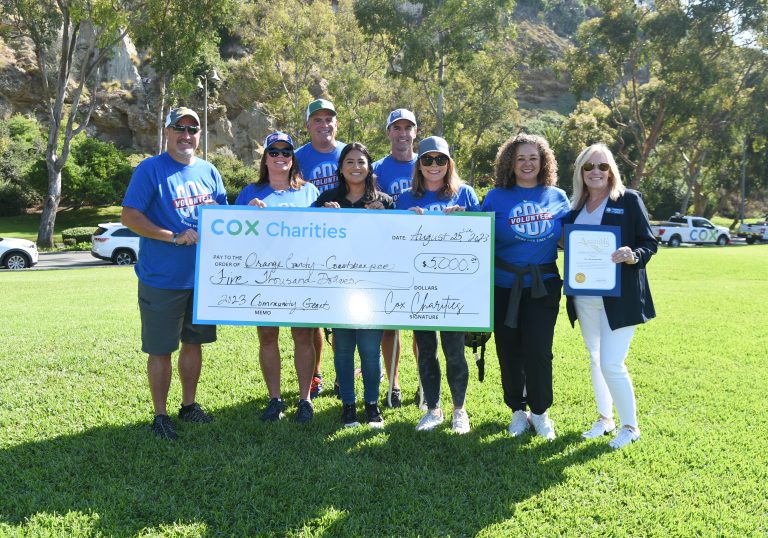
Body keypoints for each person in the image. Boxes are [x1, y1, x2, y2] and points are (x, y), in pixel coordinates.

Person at [121, 106, 228, 440]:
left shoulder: (209, 171)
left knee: (194, 344)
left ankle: (189, 405)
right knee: (161, 349)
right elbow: (130, 216)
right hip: (162, 278)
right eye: (179, 128)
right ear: (167, 132)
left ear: (199, 134)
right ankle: (160, 414)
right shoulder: (150, 169)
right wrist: (173, 236)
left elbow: (223, 218)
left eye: (192, 129)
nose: (186, 135)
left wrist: (245, 212)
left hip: (200, 278)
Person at [565, 143, 656, 449]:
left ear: (611, 170)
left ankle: (630, 427)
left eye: (602, 166)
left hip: (621, 297)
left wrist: (634, 254)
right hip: (585, 297)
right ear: (580, 171)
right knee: (595, 358)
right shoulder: (575, 206)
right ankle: (605, 419)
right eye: (589, 167)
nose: (596, 172)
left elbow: (649, 242)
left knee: (611, 363)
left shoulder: (628, 200)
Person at [481, 133, 570, 441]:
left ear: (543, 161)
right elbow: (476, 237)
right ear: (510, 163)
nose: (527, 163)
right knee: (508, 349)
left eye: (533, 157)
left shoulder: (557, 197)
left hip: (542, 287)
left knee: (538, 351)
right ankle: (518, 411)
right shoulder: (495, 197)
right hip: (503, 285)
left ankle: (541, 412)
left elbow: (570, 238)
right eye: (521, 158)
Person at [396, 136, 480, 434]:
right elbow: (394, 245)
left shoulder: (466, 194)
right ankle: (433, 408)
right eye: (428, 159)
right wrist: (404, 222)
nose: (434, 165)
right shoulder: (405, 198)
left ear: (449, 164)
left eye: (440, 159)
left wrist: (467, 219)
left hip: (454, 289)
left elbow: (481, 239)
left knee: (454, 350)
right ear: (419, 164)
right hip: (418, 288)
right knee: (426, 349)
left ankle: (460, 410)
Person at [235, 131, 320, 423]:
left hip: (302, 276)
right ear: (265, 158)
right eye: (274, 152)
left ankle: (305, 399)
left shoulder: (309, 192)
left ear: (293, 157)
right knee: (268, 335)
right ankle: (275, 399)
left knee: (302, 335)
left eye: (286, 152)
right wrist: (246, 215)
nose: (280, 157)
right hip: (264, 278)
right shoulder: (250, 193)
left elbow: (326, 233)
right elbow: (233, 236)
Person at [315, 142, 393, 427]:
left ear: (369, 166)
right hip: (338, 288)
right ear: (340, 167)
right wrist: (325, 219)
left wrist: (383, 218)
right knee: (344, 350)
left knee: (371, 352)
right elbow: (309, 238)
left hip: (373, 289)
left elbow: (397, 241)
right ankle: (348, 405)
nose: (356, 167)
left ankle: (371, 405)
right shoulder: (327, 199)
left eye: (361, 162)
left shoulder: (384, 202)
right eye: (350, 162)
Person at [294, 98, 347, 398]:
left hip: (344, 247)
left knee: (341, 317)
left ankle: (343, 376)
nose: (324, 124)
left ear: (336, 123)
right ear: (308, 125)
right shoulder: (298, 158)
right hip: (308, 246)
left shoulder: (348, 153)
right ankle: (314, 376)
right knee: (311, 317)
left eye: (329, 119)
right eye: (317, 119)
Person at [372, 108, 419, 408]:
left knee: (423, 325)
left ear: (415, 132)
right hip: (387, 256)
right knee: (390, 324)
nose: (402, 133)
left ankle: (426, 383)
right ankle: (394, 384)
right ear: (388, 132)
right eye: (396, 128)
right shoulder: (376, 169)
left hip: (422, 255)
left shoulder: (431, 162)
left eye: (408, 128)